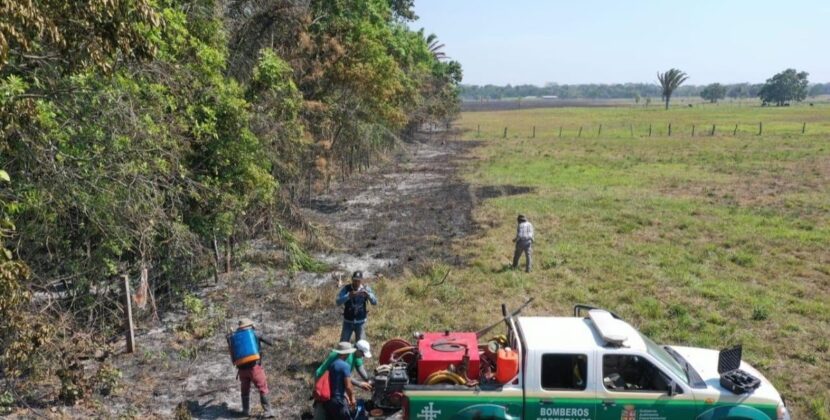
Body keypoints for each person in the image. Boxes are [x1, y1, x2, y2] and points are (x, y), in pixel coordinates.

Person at [312, 340, 373, 420]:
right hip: (321, 378)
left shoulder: (355, 355)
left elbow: (360, 370)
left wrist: (369, 380)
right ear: (356, 350)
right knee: (322, 402)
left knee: (330, 405)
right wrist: (354, 394)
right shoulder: (345, 361)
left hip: (333, 384)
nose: (363, 357)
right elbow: (346, 382)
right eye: (363, 354)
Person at [233, 318, 275, 418]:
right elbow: (270, 341)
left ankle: (245, 411)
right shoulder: (254, 333)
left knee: (245, 390)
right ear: (250, 325)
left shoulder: (235, 337)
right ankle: (268, 411)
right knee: (263, 388)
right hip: (254, 368)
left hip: (241, 370)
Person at [336, 271, 377, 342]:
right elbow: (338, 302)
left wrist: (368, 295)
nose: (356, 282)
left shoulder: (366, 288)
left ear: (361, 280)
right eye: (355, 280)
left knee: (361, 345)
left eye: (358, 280)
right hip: (347, 322)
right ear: (352, 279)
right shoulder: (346, 289)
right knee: (343, 343)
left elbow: (374, 302)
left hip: (361, 322)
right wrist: (348, 296)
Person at [326, 342, 357, 420]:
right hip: (339, 400)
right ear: (346, 353)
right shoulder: (345, 366)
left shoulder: (332, 364)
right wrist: (352, 398)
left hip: (329, 400)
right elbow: (348, 386)